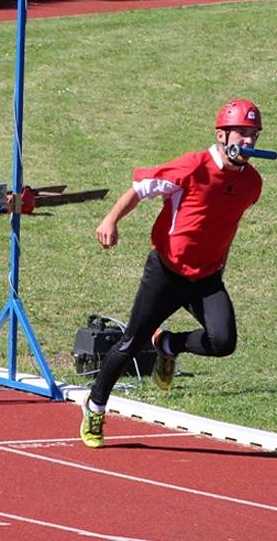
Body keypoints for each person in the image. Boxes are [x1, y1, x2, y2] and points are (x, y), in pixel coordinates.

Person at [80, 98, 265, 447]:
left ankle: (167, 344)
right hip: (167, 272)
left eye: (253, 135)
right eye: (241, 133)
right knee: (130, 345)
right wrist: (110, 220)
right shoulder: (192, 167)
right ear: (221, 135)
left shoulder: (252, 183)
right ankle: (96, 406)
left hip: (207, 277)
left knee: (223, 342)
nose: (249, 142)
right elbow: (139, 190)